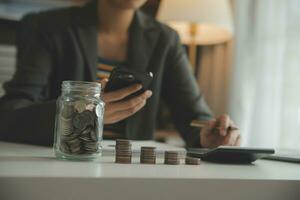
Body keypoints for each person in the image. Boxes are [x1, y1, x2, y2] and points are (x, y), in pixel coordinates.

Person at [0, 0, 240, 148]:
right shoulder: (49, 27)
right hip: (62, 166)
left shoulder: (165, 39)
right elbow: (10, 115)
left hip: (130, 174)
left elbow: (194, 117)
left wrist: (210, 135)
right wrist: (80, 112)